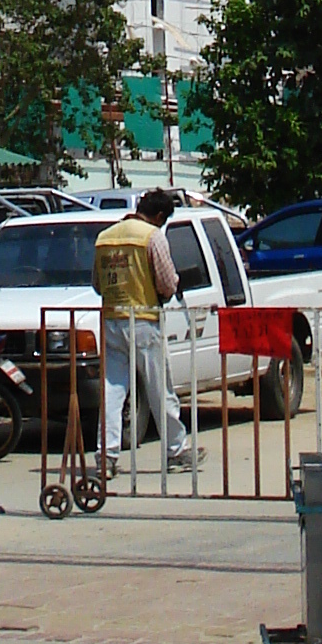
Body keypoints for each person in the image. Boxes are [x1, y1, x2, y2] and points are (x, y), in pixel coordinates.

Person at [92, 189, 191, 468]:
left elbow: (97, 284)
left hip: (112, 319)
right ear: (159, 216)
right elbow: (167, 283)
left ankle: (107, 456)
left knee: (112, 390)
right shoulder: (152, 236)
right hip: (144, 320)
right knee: (160, 388)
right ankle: (175, 450)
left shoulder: (105, 237)